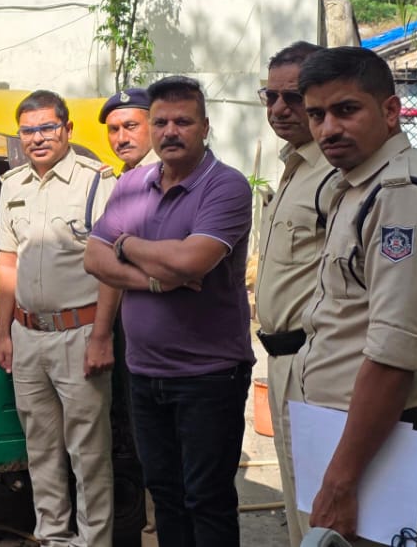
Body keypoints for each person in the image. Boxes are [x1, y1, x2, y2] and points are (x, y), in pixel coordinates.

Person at [295, 46, 417, 546]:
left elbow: (393, 358)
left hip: (382, 454)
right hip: (349, 443)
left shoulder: (402, 196)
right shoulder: (356, 185)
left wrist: (341, 480)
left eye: (346, 110)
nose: (328, 129)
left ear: (390, 111)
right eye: (317, 115)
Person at [84, 76, 254, 547]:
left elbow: (191, 262)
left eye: (183, 121)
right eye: (160, 122)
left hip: (209, 375)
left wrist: (126, 244)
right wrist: (158, 279)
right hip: (144, 372)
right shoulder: (133, 183)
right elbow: (93, 258)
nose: (170, 131)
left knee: (207, 499)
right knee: (164, 494)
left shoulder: (226, 186)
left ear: (205, 127)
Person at [0, 90, 117, 547]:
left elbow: (112, 267)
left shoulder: (96, 182)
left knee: (88, 453)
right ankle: (52, 537)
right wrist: (3, 334)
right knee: (40, 450)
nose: (38, 137)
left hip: (79, 334)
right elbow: (8, 263)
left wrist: (102, 336)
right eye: (28, 130)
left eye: (48, 127)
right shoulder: (13, 185)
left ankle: (94, 541)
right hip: (27, 337)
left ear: (67, 129)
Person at [252, 40, 330, 547]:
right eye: (271, 96)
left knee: (324, 508)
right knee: (299, 502)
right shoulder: (294, 166)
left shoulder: (336, 172)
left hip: (318, 364)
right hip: (281, 362)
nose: (280, 108)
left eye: (294, 97)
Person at [99, 88, 158, 172]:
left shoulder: (170, 172)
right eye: (114, 129)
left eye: (131, 126)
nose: (122, 139)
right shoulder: (121, 175)